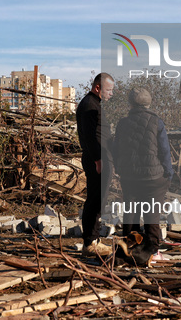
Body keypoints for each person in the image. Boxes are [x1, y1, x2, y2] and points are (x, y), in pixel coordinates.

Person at [113, 87, 173, 257]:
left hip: (129, 177)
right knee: (152, 214)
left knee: (131, 214)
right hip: (154, 178)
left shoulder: (122, 123)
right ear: (149, 103)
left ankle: (129, 250)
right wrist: (168, 173)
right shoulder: (157, 122)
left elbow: (116, 149)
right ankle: (152, 253)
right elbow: (164, 151)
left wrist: (120, 169)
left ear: (130, 103)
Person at [76, 73, 115, 256]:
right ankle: (90, 243)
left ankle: (94, 240)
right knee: (95, 200)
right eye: (108, 90)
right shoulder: (89, 105)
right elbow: (90, 136)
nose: (111, 94)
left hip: (100, 157)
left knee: (99, 199)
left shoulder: (93, 104)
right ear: (98, 88)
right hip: (97, 159)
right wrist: (98, 159)